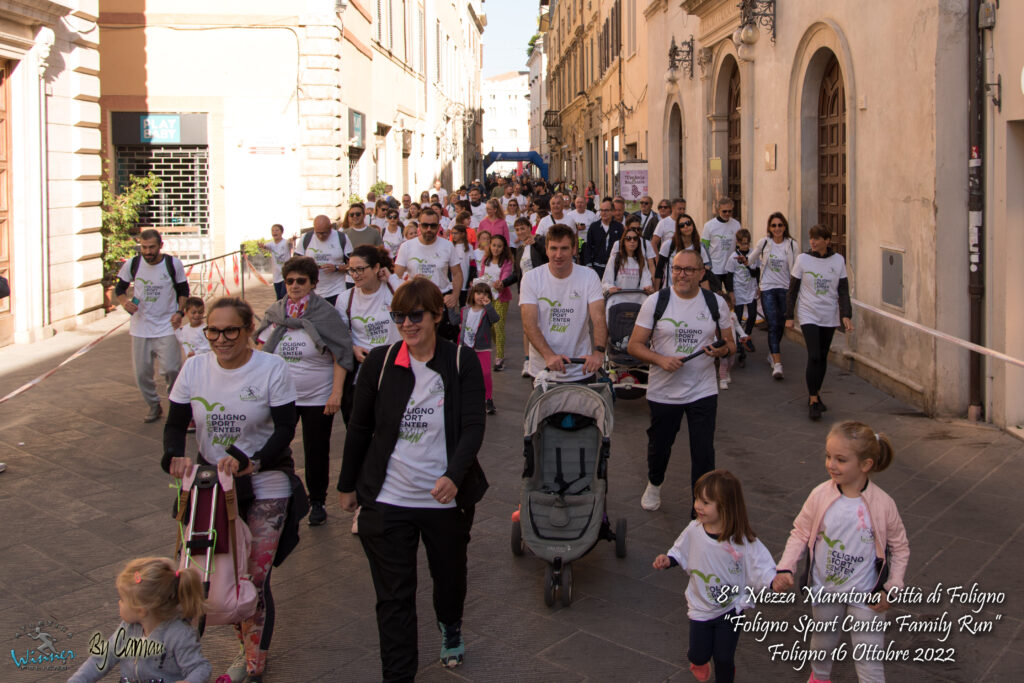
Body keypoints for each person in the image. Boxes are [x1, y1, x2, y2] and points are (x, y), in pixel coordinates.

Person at [338, 277, 487, 680]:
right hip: (388, 498)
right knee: (393, 598)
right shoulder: (380, 362)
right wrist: (347, 484)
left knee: (449, 578)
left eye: (416, 315)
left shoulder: (460, 361)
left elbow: (473, 425)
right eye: (399, 316)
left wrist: (455, 475)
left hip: (445, 499)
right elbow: (359, 427)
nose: (407, 324)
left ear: (438, 315)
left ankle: (450, 624)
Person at [164, 297, 306, 683]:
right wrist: (173, 457)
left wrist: (252, 460)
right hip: (212, 486)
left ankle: (253, 661)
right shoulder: (194, 368)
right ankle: (198, 656)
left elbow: (284, 427)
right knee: (211, 575)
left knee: (254, 578)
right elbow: (176, 425)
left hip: (266, 480)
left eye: (231, 330)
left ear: (248, 331)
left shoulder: (271, 367)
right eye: (213, 330)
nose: (221, 339)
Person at [772, 421, 910, 683]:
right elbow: (800, 532)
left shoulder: (883, 504)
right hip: (825, 590)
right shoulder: (819, 495)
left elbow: (900, 547)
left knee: (869, 661)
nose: (831, 464)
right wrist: (786, 567)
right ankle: (820, 679)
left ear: (865, 464)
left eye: (841, 459)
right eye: (828, 456)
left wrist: (892, 587)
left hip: (868, 595)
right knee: (821, 646)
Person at [627, 250, 735, 514]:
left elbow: (731, 344)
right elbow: (634, 346)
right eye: (676, 269)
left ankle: (700, 507)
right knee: (660, 447)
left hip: (703, 389)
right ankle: (655, 482)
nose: (681, 275)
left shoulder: (715, 303)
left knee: (703, 452)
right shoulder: (656, 302)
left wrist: (721, 351)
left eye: (688, 270)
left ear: (701, 273)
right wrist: (660, 360)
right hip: (664, 392)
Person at [255, 256, 353, 527]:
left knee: (316, 450)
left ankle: (318, 500)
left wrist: (336, 393)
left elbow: (341, 354)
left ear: (313, 283)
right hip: (282, 397)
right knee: (276, 447)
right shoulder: (276, 312)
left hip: (318, 395)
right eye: (289, 281)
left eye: (301, 281)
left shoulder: (325, 314)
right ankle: (277, 496)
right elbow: (262, 350)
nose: (295, 286)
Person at [653, 470, 776, 683]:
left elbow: (761, 563)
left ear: (726, 506)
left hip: (731, 608)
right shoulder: (694, 530)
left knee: (724, 657)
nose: (698, 505)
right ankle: (699, 661)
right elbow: (679, 550)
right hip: (701, 607)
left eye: (706, 502)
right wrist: (668, 560)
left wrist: (774, 580)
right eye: (697, 499)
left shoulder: (742, 540)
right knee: (698, 654)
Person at [68, 557, 210, 683]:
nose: (119, 603)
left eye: (123, 599)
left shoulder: (178, 634)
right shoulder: (128, 628)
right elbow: (103, 657)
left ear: (141, 610)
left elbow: (201, 667)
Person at [115, 228, 190, 423]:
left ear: (160, 246)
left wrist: (179, 313)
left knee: (172, 369)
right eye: (144, 247)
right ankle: (153, 405)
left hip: (167, 325)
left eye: (152, 247)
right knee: (142, 373)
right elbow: (120, 288)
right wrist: (125, 303)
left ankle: (177, 406)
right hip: (141, 327)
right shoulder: (133, 264)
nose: (148, 252)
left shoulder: (172, 264)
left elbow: (183, 290)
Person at [520, 224, 607, 383]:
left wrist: (599, 352)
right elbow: (529, 324)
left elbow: (599, 317)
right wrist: (549, 356)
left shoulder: (589, 276)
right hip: (544, 370)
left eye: (564, 248)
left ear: (574, 249)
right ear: (546, 249)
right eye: (553, 248)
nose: (558, 255)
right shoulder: (531, 278)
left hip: (581, 368)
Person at [785, 224, 853, 420]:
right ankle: (813, 399)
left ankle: (816, 393)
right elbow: (793, 290)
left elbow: (843, 290)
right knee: (814, 355)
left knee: (823, 356)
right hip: (809, 314)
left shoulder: (838, 260)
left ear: (827, 241)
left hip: (828, 315)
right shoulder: (803, 260)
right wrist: (790, 316)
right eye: (811, 238)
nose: (813, 242)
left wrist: (846, 314)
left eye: (817, 238)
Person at [336, 245, 402, 425]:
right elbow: (340, 336)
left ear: (375, 268)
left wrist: (391, 277)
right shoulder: (344, 299)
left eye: (360, 269)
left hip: (395, 370)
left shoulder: (393, 290)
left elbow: (416, 306)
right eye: (351, 270)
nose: (355, 275)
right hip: (364, 373)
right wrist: (353, 348)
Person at [395, 209, 463, 342]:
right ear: (419, 226)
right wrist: (409, 284)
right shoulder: (407, 247)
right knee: (419, 341)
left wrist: (455, 295)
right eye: (425, 225)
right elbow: (396, 277)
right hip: (415, 300)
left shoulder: (447, 246)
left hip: (440, 300)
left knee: (443, 343)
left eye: (433, 226)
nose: (428, 229)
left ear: (438, 227)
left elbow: (457, 274)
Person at [748, 212, 798, 380]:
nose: (777, 228)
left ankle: (772, 352)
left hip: (785, 289)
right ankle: (777, 364)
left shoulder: (791, 245)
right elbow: (750, 260)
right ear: (769, 228)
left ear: (785, 227)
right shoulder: (764, 242)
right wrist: (744, 259)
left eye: (780, 225)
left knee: (781, 324)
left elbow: (797, 268)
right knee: (773, 323)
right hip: (768, 288)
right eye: (774, 225)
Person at [459, 281, 500, 414]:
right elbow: (456, 321)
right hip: (466, 347)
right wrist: (449, 308)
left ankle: (488, 399)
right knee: (466, 374)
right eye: (478, 293)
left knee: (485, 373)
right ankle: (468, 398)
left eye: (485, 293)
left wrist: (489, 306)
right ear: (473, 294)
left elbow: (495, 319)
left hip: (482, 348)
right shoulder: (465, 310)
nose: (481, 296)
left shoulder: (487, 312)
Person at [294, 214, 351, 306]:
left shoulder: (342, 238)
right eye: (318, 233)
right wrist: (309, 267)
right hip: (312, 291)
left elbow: (352, 265)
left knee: (335, 319)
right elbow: (296, 263)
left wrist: (336, 268)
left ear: (330, 228)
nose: (321, 236)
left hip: (336, 290)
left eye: (324, 233)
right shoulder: (306, 238)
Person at [722, 228, 759, 368]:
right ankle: (739, 344)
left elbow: (756, 272)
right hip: (738, 291)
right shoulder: (733, 258)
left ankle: (746, 336)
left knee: (752, 315)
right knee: (736, 319)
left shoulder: (753, 255)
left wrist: (747, 264)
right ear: (737, 243)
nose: (745, 246)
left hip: (751, 290)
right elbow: (729, 276)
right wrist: (730, 292)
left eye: (747, 243)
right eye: (743, 243)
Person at [478, 233, 514, 371]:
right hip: (487, 297)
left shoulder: (506, 262)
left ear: (503, 248)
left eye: (499, 246)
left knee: (498, 326)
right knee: (491, 327)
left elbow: (506, 275)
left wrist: (501, 283)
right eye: (494, 245)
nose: (496, 249)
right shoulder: (485, 259)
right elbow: (482, 275)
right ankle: (498, 347)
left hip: (500, 297)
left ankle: (499, 356)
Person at [657, 213, 711, 289]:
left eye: (688, 223)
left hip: (692, 292)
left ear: (693, 225)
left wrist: (708, 297)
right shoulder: (668, 245)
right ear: (678, 229)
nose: (686, 226)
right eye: (682, 225)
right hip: (671, 291)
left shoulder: (699, 247)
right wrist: (657, 294)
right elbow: (659, 270)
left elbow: (704, 276)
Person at [602, 227, 654, 302]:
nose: (632, 241)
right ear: (623, 241)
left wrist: (647, 288)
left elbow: (646, 280)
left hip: (636, 303)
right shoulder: (615, 259)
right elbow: (606, 281)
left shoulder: (641, 260)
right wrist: (610, 288)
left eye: (635, 238)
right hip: (617, 302)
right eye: (628, 238)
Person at [703, 197, 742, 293]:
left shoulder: (736, 224)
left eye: (730, 211)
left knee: (733, 297)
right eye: (724, 211)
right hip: (714, 269)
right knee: (716, 297)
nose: (727, 214)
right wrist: (706, 265)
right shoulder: (709, 225)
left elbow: (739, 245)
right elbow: (703, 247)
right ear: (718, 210)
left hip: (730, 269)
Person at [583, 198, 624, 278]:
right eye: (601, 210)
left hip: (614, 267)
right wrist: (589, 265)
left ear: (612, 211)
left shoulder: (619, 227)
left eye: (606, 210)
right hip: (597, 268)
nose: (603, 213)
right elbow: (588, 247)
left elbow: (622, 247)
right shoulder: (594, 227)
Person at [265, 223, 294, 300]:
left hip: (286, 273)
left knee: (284, 294)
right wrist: (261, 246)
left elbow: (289, 243)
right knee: (279, 297)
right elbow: (265, 246)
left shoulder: (285, 242)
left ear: (281, 232)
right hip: (276, 275)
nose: (274, 232)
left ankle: (286, 310)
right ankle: (280, 311)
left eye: (277, 230)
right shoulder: (271, 244)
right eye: (273, 230)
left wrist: (292, 240)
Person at [448, 224, 474, 307]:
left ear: (463, 234)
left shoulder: (469, 247)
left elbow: (472, 264)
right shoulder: (450, 246)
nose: (453, 235)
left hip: (464, 279)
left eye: (456, 233)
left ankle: (463, 319)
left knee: (463, 303)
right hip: (452, 280)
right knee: (451, 303)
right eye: (452, 233)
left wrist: (471, 278)